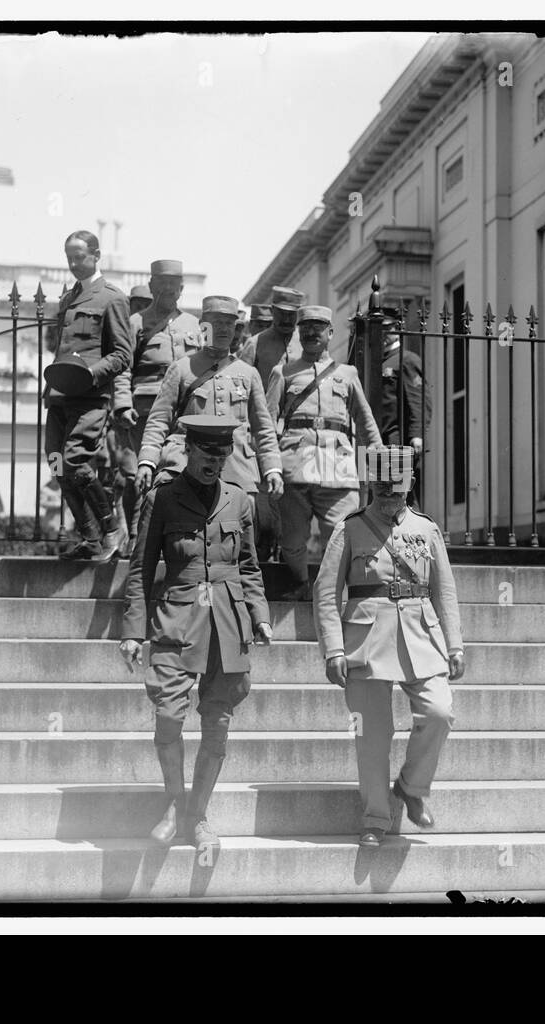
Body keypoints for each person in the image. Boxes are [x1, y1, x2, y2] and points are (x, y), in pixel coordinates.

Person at [118, 415, 273, 851]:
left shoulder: (240, 501)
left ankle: (197, 815)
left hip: (229, 619)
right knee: (168, 714)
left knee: (217, 724)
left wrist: (259, 615)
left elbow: (249, 567)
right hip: (179, 617)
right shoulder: (163, 500)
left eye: (221, 455)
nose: (214, 462)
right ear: (189, 451)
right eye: (206, 454)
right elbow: (141, 567)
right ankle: (174, 801)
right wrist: (133, 629)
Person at [313, 446, 465, 848]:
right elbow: (326, 593)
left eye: (396, 491)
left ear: (409, 485)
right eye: (381, 490)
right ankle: (375, 818)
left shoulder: (426, 529)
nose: (388, 499)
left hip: (420, 635)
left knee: (439, 712)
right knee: (373, 734)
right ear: (369, 486)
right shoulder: (350, 528)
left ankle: (412, 788)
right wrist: (333, 649)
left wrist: (454, 644)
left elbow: (443, 590)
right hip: (365, 639)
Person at [266, 305, 381, 602]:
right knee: (292, 540)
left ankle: (331, 592)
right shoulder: (283, 373)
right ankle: (301, 584)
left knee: (343, 534)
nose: (311, 333)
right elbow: (265, 424)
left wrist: (379, 466)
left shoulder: (347, 374)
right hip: (294, 465)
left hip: (338, 468)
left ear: (330, 333)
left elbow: (366, 423)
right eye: (306, 328)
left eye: (318, 327)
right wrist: (271, 467)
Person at [135, 296, 283, 510]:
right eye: (216, 323)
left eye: (229, 323)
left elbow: (264, 428)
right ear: (203, 326)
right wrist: (147, 461)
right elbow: (159, 420)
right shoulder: (182, 368)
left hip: (235, 468)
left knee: (242, 531)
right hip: (186, 463)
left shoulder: (248, 373)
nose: (223, 329)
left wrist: (272, 468)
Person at [43, 229, 134, 561]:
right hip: (59, 396)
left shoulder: (112, 297)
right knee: (58, 466)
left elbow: (123, 354)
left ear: (96, 255)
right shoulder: (68, 299)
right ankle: (90, 538)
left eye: (78, 256)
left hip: (90, 397)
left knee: (77, 462)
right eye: (68, 256)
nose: (72, 262)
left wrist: (90, 375)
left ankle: (112, 529)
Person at [113, 260, 202, 547]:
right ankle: (140, 542)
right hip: (146, 409)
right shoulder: (135, 323)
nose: (168, 291)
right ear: (152, 286)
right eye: (161, 285)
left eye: (173, 286)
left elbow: (209, 364)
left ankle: (175, 539)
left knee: (181, 471)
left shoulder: (195, 325)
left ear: (182, 289)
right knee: (141, 474)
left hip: (186, 408)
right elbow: (123, 367)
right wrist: (124, 405)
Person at [238, 286, 304, 559]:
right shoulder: (256, 343)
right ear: (273, 311)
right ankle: (262, 553)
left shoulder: (305, 342)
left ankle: (284, 554)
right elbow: (240, 385)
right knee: (264, 501)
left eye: (292, 315)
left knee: (293, 499)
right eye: (282, 314)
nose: (287, 320)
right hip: (263, 433)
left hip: (296, 434)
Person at [376, 308, 432, 508]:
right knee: (381, 496)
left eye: (386, 329)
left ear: (397, 328)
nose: (382, 334)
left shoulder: (406, 359)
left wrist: (416, 435)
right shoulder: (377, 361)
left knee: (403, 496)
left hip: (396, 438)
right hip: (378, 440)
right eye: (378, 330)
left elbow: (418, 400)